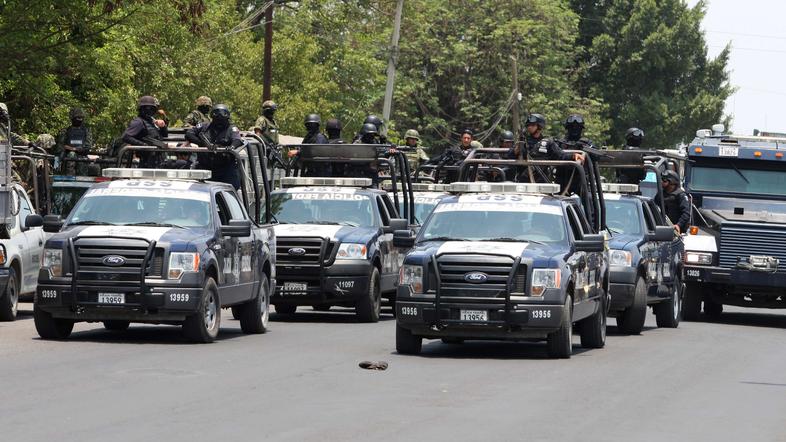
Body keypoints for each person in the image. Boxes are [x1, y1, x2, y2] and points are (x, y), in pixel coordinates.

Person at [508, 114, 583, 183]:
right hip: (523, 182)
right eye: (528, 125)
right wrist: (516, 150)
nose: (529, 127)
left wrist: (573, 155)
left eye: (532, 125)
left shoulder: (548, 142)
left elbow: (560, 155)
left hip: (542, 183)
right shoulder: (522, 142)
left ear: (539, 126)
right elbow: (509, 156)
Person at [186, 104, 243, 188]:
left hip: (225, 169)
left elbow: (237, 140)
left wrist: (231, 147)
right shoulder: (205, 126)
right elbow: (189, 134)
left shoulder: (231, 129)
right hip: (205, 168)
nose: (219, 122)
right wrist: (200, 143)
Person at [122, 95, 169, 167]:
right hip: (147, 161)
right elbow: (126, 136)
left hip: (158, 159)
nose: (149, 110)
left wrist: (163, 126)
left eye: (151, 108)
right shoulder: (139, 121)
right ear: (142, 109)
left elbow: (164, 135)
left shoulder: (152, 122)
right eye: (147, 108)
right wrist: (144, 145)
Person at [56, 107, 93, 175]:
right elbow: (60, 148)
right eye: (77, 117)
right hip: (68, 161)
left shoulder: (86, 131)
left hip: (82, 159)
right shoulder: (65, 131)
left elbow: (88, 146)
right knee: (71, 155)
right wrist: (57, 166)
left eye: (81, 118)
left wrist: (73, 149)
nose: (79, 120)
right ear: (72, 118)